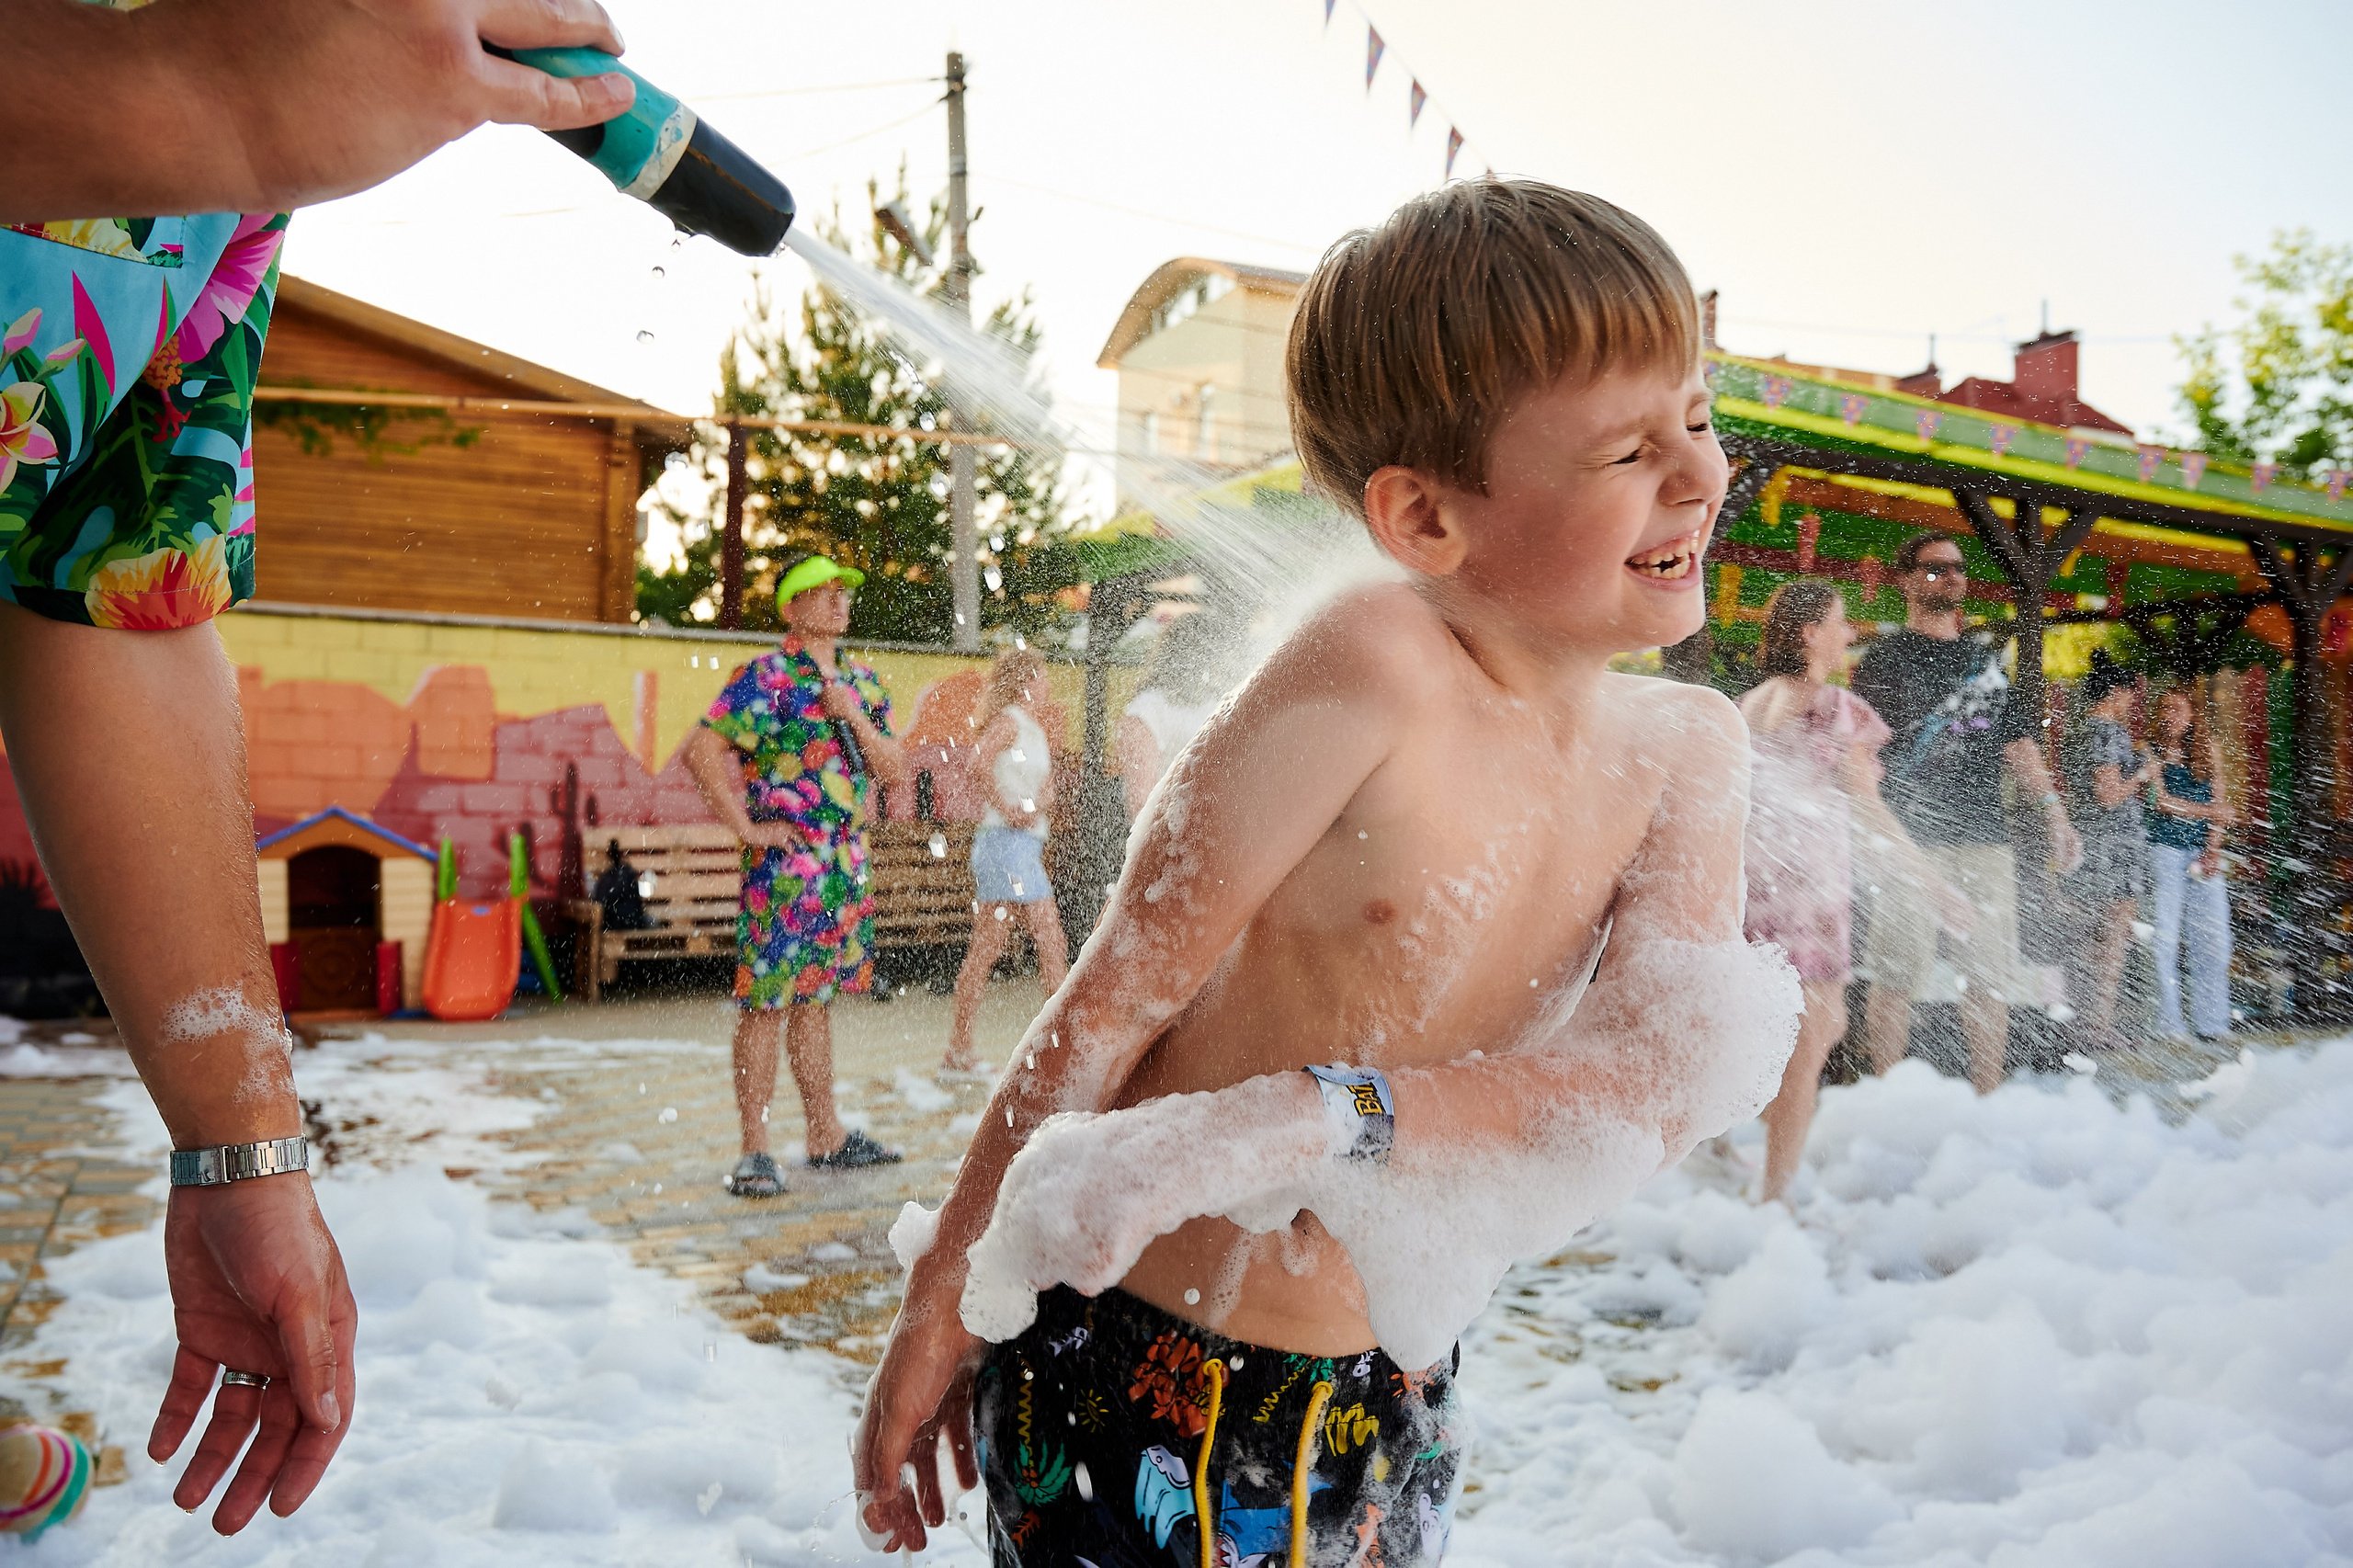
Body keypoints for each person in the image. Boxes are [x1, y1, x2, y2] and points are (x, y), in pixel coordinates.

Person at [849, 180, 1801, 1564]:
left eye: (1700, 420)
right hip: (1144, 1363)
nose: (1703, 475)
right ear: (1424, 518)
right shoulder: (1376, 660)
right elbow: (1112, 999)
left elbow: (1651, 1076)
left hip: (1397, 1381)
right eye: (1628, 450)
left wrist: (1316, 1116)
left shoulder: (1687, 749)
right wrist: (950, 1290)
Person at [1, 0, 631, 1534]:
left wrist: (242, 1145)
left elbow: (121, 589)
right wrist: (193, 93)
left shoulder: (246, 141)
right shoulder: (232, 79)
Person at [686, 554, 909, 1197]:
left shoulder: (862, 681)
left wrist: (852, 715)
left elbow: (894, 771)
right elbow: (701, 750)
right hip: (784, 872)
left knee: (815, 1000)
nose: (839, 600)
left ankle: (825, 1136)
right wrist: (746, 828)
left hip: (844, 869)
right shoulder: (766, 677)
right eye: (822, 590)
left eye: (844, 590)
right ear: (791, 608)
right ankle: (754, 1151)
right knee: (765, 1004)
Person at [1738, 581, 1954, 1202]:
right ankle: (1775, 1197)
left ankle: (1734, 1157)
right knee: (1812, 1039)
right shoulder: (1834, 707)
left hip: (1757, 892)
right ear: (1810, 635)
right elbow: (1871, 810)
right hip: (1808, 898)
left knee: (1786, 1033)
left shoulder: (1751, 704)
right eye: (1839, 622)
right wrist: (1932, 882)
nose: (1850, 633)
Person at [1851, 532, 2082, 1094]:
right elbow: (1861, 757)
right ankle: (1886, 1102)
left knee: (1988, 976)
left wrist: (2055, 814)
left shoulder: (1986, 661)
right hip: (1909, 843)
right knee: (1895, 975)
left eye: (1957, 568)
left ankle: (1987, 1098)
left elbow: (2019, 745)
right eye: (1936, 568)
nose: (1951, 577)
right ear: (1906, 580)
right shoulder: (1882, 661)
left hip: (1985, 839)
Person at [941, 650, 1073, 1073]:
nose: (1047, 685)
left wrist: (1037, 803)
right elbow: (977, 762)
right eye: (1042, 677)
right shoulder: (1010, 721)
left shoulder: (1033, 729)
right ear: (1024, 682)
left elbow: (1045, 791)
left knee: (993, 947)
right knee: (1047, 942)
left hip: (1022, 847)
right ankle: (1062, 1046)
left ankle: (959, 1049)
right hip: (1004, 845)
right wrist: (1008, 808)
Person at [2060, 652, 2153, 1048]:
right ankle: (2098, 1026)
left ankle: (2083, 1024)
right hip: (2112, 850)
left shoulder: (2078, 730)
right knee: (2111, 942)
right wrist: (2143, 773)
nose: (2132, 702)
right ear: (2115, 692)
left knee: (2089, 940)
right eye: (2130, 694)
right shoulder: (2108, 732)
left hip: (2091, 844)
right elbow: (2109, 794)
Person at [2147, 685, 2234, 1040]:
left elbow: (2221, 801)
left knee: (2214, 939)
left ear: (2193, 714)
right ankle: (2169, 1025)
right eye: (2164, 709)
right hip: (2164, 850)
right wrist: (2210, 812)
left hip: (2202, 853)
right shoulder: (2148, 750)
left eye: (2177, 709)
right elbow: (2161, 802)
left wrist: (2213, 848)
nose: (2169, 715)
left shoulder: (2208, 749)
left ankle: (2212, 1023)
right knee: (2164, 938)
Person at [1117, 608, 1240, 819]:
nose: (1227, 665)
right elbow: (1140, 803)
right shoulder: (1148, 710)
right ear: (1194, 657)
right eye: (1220, 657)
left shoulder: (1219, 702)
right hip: (1169, 826)